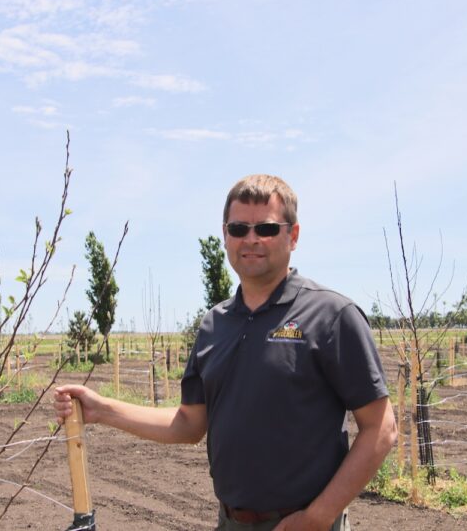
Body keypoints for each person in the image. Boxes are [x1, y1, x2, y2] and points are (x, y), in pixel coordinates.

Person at [54, 174, 397, 531]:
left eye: (266, 228)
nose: (251, 239)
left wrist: (318, 516)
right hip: (229, 521)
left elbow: (381, 429)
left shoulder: (331, 316)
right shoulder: (214, 325)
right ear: (225, 235)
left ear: (292, 236)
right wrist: (102, 409)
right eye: (238, 229)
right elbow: (188, 424)